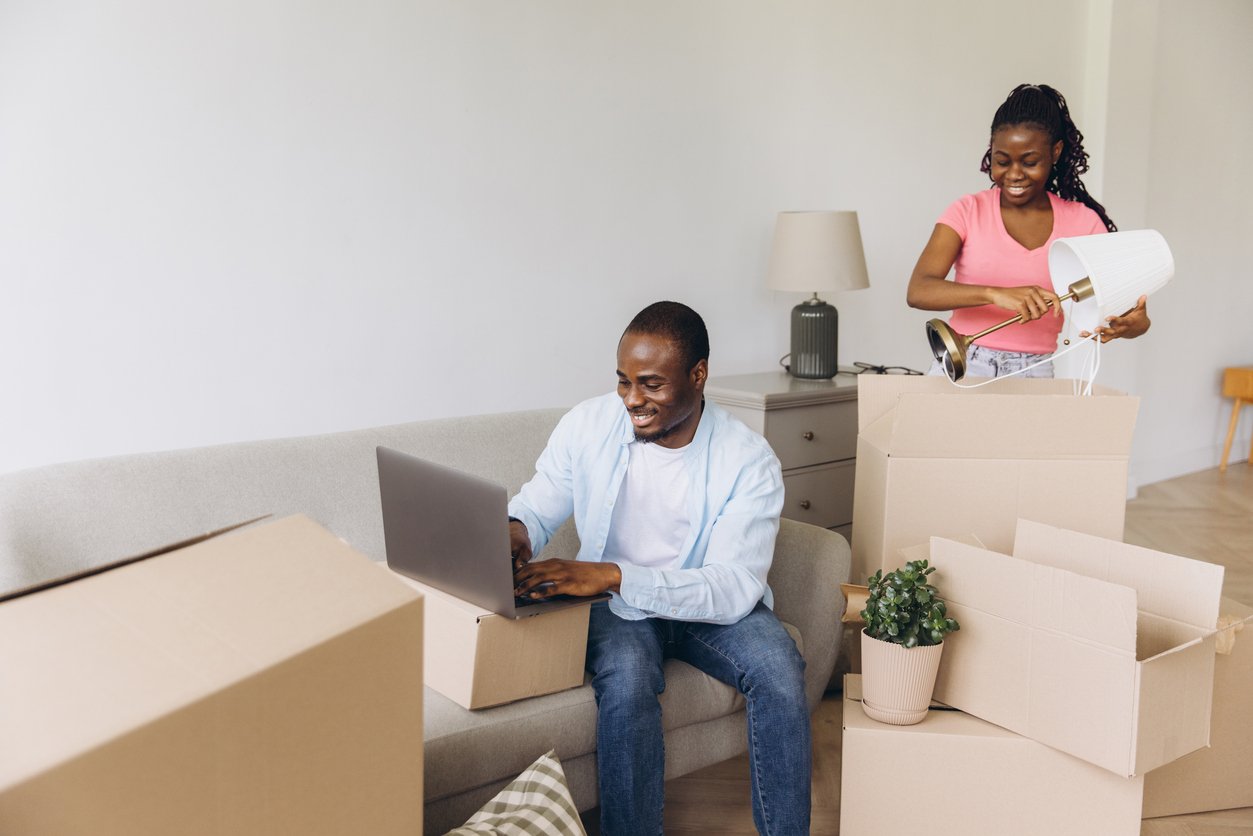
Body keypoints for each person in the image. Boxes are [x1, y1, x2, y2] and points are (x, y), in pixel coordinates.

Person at [508, 301, 810, 836]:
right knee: (626, 680)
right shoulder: (588, 424)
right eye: (624, 381)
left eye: (650, 384)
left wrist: (613, 574)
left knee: (779, 667)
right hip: (616, 609)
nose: (631, 400)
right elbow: (536, 506)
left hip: (709, 603)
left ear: (699, 375)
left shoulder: (748, 459)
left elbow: (735, 585)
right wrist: (515, 531)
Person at [907, 83, 1151, 378]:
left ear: (1055, 152)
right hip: (964, 362)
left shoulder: (1083, 223)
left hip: (1034, 370)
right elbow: (919, 290)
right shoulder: (968, 210)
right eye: (1002, 161)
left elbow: (1124, 310)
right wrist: (995, 294)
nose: (1014, 174)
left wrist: (1135, 325)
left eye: (1030, 162)